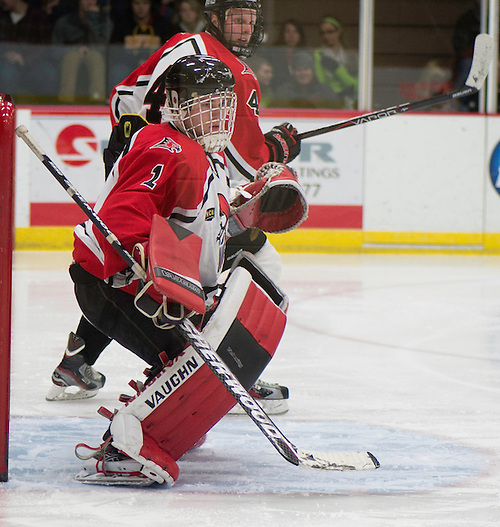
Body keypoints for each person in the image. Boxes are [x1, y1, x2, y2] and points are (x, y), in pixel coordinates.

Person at [47, 0, 302, 414]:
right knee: (222, 254)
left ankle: (79, 359)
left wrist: (138, 139)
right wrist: (278, 147)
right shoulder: (234, 73)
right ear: (216, 18)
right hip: (174, 159)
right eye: (236, 16)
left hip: (143, 149)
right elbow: (243, 157)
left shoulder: (181, 44)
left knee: (149, 265)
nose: (244, 26)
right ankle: (229, 368)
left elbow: (121, 99)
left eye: (249, 18)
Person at [71, 54, 305, 486]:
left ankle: (166, 413)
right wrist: (140, 257)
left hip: (152, 286)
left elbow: (205, 225)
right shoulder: (167, 145)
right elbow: (125, 215)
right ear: (175, 104)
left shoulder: (207, 158)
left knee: (198, 357)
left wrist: (250, 203)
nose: (216, 115)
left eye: (223, 105)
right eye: (204, 103)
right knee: (186, 361)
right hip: (114, 280)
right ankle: (123, 446)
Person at [52, 0, 113, 103]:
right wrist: (75, 50)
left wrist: (93, 18)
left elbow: (106, 49)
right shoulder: (65, 22)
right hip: (67, 61)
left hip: (98, 60)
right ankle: (65, 102)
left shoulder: (104, 22)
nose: (89, 1)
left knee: (96, 57)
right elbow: (54, 52)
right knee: (72, 57)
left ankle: (97, 101)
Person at [108, 0, 175, 87]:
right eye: (136, 3)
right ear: (131, 4)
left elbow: (169, 51)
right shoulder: (122, 25)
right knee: (117, 71)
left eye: (145, 3)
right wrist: (136, 63)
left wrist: (149, 64)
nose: (141, 8)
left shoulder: (162, 25)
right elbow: (115, 53)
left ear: (150, 4)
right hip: (128, 66)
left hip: (156, 66)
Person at [0, 0, 57, 97]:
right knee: (6, 74)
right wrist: (5, 55)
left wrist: (25, 59)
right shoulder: (2, 17)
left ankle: (46, 110)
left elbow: (45, 46)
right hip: (7, 63)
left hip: (34, 63)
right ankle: (7, 110)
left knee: (48, 73)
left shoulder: (39, 17)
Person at [313, 16, 358, 108]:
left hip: (352, 102)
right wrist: (345, 83)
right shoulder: (319, 54)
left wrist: (336, 69)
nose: (326, 36)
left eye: (330, 32)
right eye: (322, 33)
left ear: (339, 32)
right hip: (329, 102)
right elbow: (322, 82)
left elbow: (356, 86)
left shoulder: (351, 55)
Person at [451, 0, 480, 111]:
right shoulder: (466, 20)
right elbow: (460, 51)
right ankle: (462, 102)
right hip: (469, 65)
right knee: (467, 64)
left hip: (494, 66)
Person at [267, 18, 305, 92]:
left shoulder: (305, 55)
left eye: (295, 32)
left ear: (300, 35)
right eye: (288, 31)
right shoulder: (273, 55)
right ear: (282, 34)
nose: (291, 35)